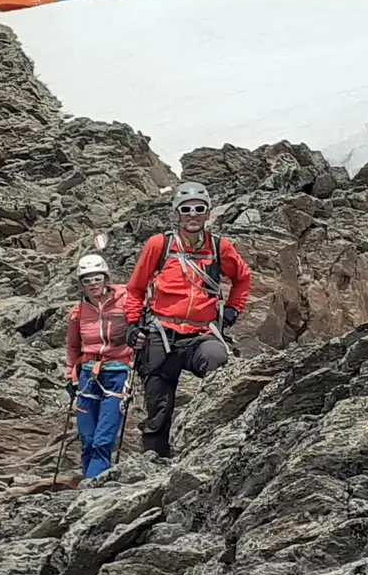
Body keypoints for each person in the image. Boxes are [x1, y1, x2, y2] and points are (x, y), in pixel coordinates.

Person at [122, 181, 252, 462]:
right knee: (158, 405)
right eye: (186, 209)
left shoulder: (220, 248)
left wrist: (232, 310)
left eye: (199, 209)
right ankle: (154, 461)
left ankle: (212, 442)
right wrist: (132, 326)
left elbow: (243, 279)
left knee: (217, 361)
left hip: (201, 334)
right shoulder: (159, 245)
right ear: (177, 213)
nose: (192, 214)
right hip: (162, 331)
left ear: (207, 213)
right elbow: (135, 288)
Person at [65, 254, 135, 481]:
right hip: (87, 374)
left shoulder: (126, 301)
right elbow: (73, 346)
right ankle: (90, 480)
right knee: (87, 436)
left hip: (118, 372)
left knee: (103, 437)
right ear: (81, 284)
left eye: (97, 278)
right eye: (87, 280)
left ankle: (94, 485)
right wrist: (71, 376)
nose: (93, 284)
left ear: (106, 278)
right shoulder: (78, 312)